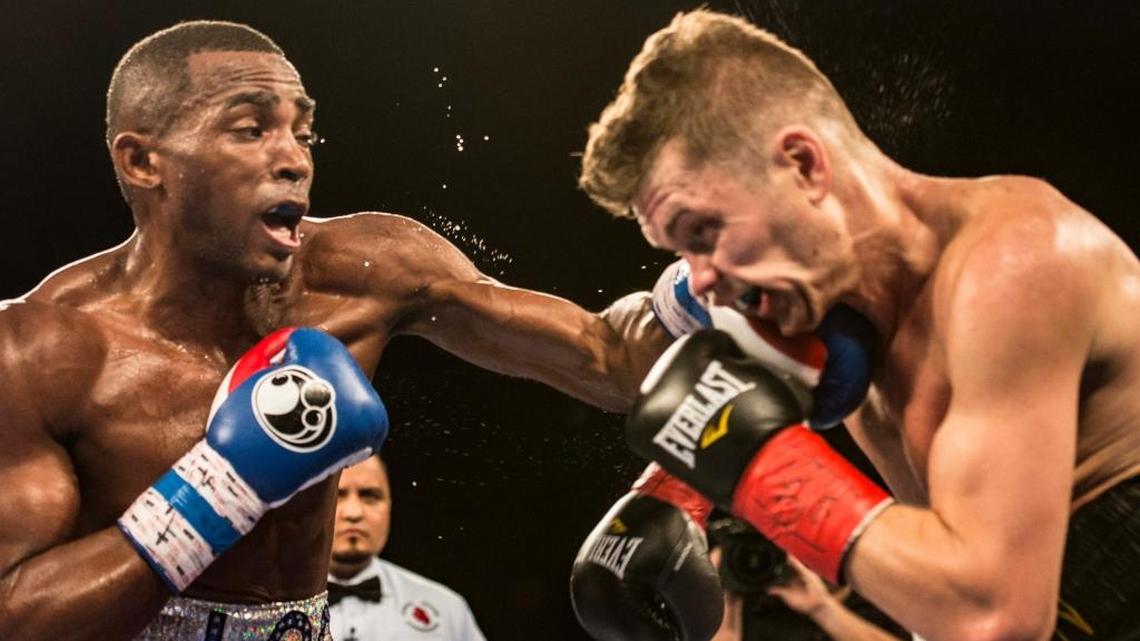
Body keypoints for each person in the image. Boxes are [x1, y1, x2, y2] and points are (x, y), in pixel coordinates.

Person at [0, 20, 674, 641]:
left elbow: (610, 361)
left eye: (303, 131)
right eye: (251, 128)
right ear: (143, 162)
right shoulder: (42, 348)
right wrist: (217, 489)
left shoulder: (367, 272)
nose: (294, 159)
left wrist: (703, 296)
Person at [579, 9, 1140, 641]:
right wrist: (669, 494)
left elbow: (995, 618)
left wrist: (762, 466)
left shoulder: (1016, 265)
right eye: (680, 253)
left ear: (802, 163)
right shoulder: (834, 338)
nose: (702, 279)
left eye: (703, 233)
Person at [327, 455, 485, 641]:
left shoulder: (446, 609)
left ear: (390, 505)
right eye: (337, 495)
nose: (354, 513)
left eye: (370, 496)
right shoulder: (283, 601)